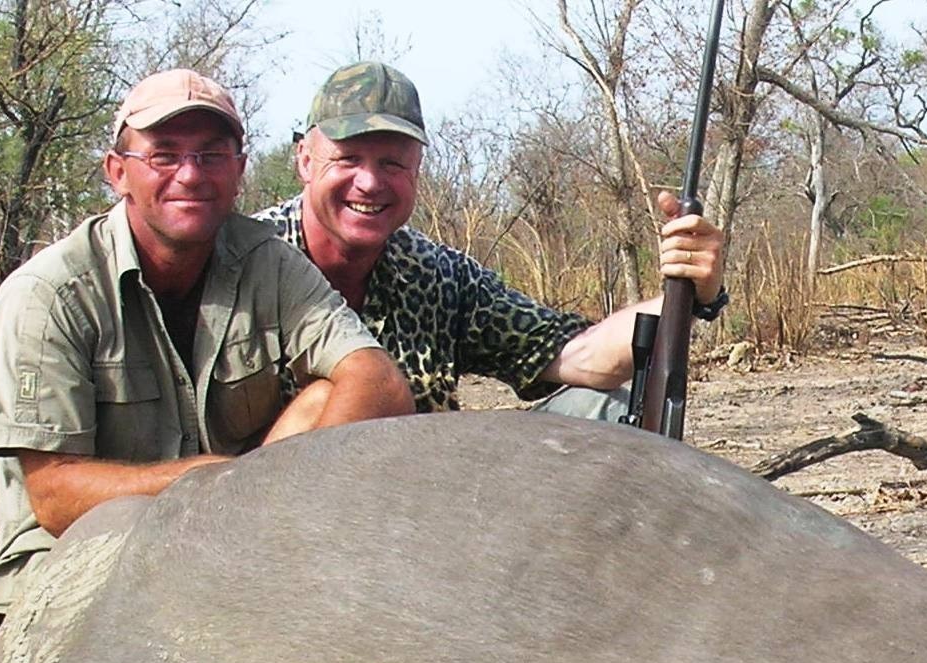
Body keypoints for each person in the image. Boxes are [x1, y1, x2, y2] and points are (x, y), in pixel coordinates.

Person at [0, 68, 414, 657]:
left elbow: (375, 379)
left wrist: (267, 515)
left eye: (211, 155)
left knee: (329, 396)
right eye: (164, 155)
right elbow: (54, 496)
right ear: (117, 171)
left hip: (227, 546)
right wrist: (214, 488)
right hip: (78, 560)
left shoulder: (268, 263)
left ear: (239, 170)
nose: (191, 175)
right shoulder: (46, 295)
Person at [253, 62, 730, 419]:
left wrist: (688, 291)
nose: (370, 183)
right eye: (349, 158)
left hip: (417, 511)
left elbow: (583, 357)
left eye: (392, 163)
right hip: (272, 523)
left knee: (608, 407)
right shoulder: (248, 258)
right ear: (304, 159)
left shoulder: (442, 276)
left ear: (417, 170)